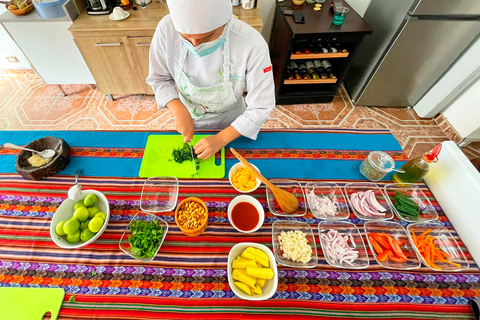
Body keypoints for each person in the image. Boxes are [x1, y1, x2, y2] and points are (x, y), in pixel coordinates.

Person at [146, 0, 275, 160]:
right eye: (186, 37)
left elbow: (261, 105)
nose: (195, 46)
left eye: (207, 37)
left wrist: (221, 138)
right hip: (189, 117)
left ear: (225, 21)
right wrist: (177, 109)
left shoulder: (252, 44)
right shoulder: (166, 29)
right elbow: (159, 78)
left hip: (233, 123)